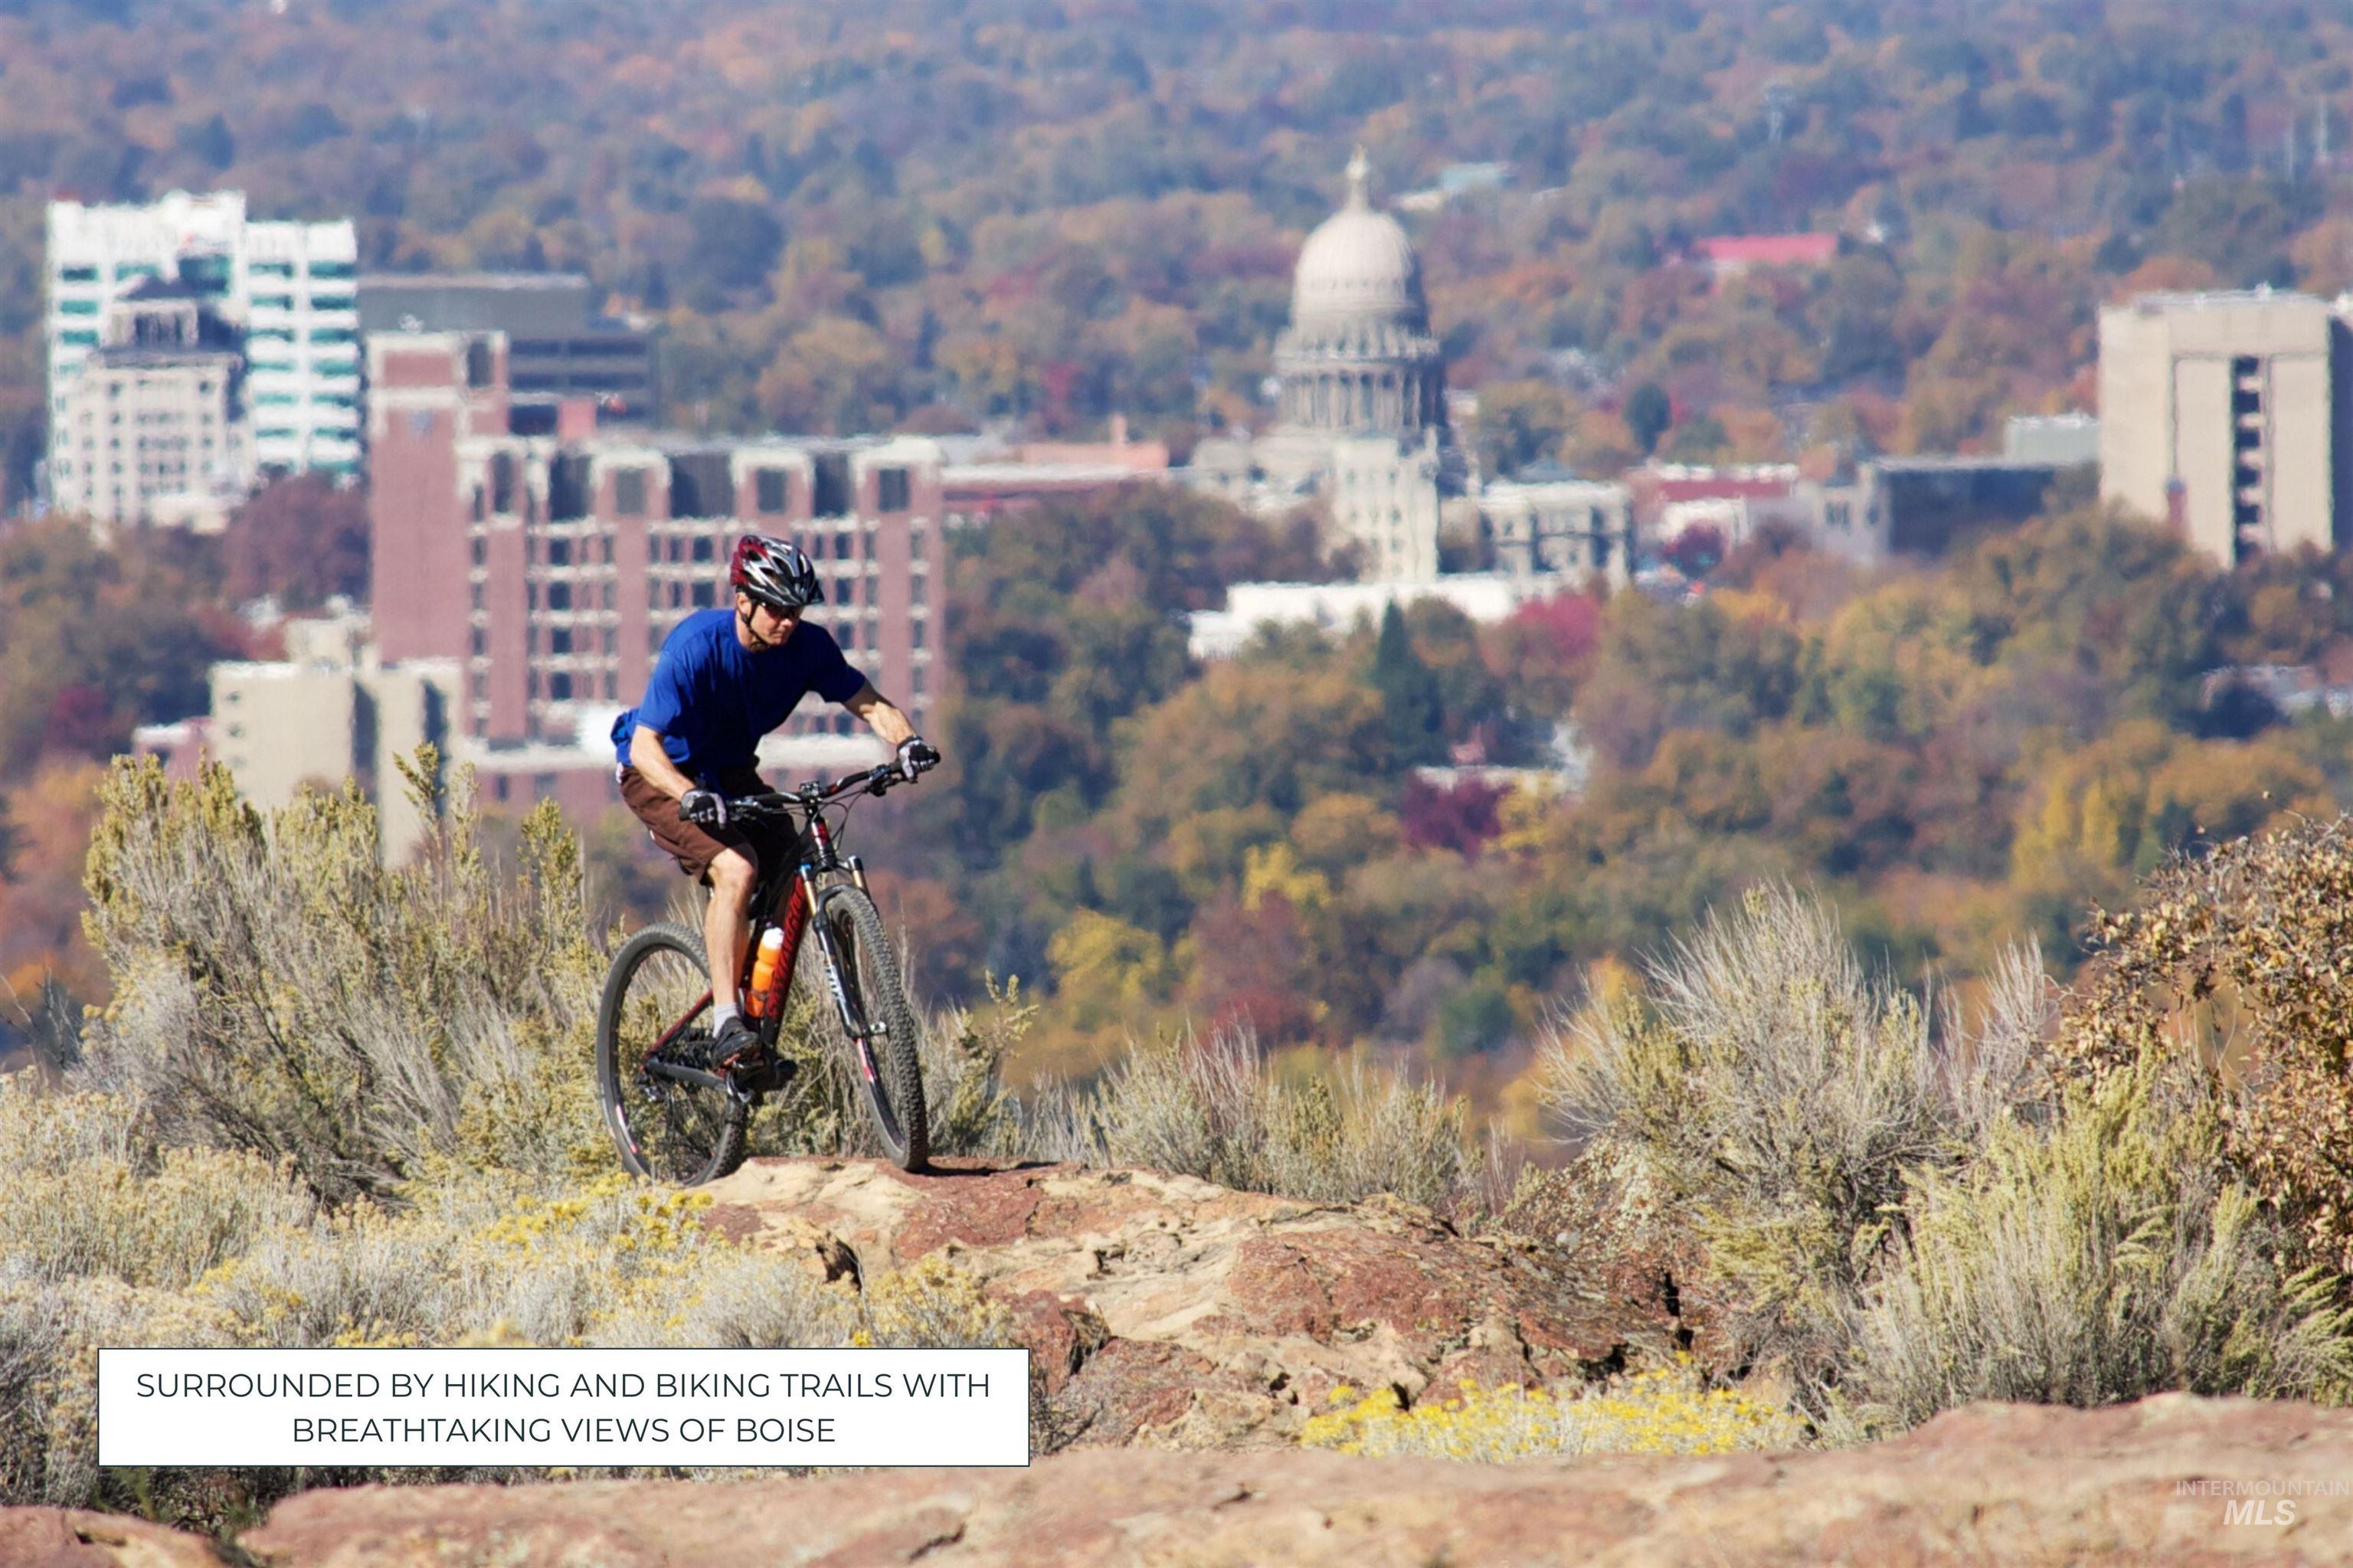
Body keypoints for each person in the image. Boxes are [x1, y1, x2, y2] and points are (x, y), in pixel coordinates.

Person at [611, 532, 938, 1079]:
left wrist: (906, 742)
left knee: (796, 868)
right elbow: (645, 745)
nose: (789, 621)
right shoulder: (694, 646)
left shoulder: (808, 648)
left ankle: (754, 1016)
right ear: (744, 600)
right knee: (736, 867)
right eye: (778, 609)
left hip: (731, 771)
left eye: (797, 610)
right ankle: (724, 1021)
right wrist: (688, 793)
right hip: (663, 772)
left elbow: (871, 703)